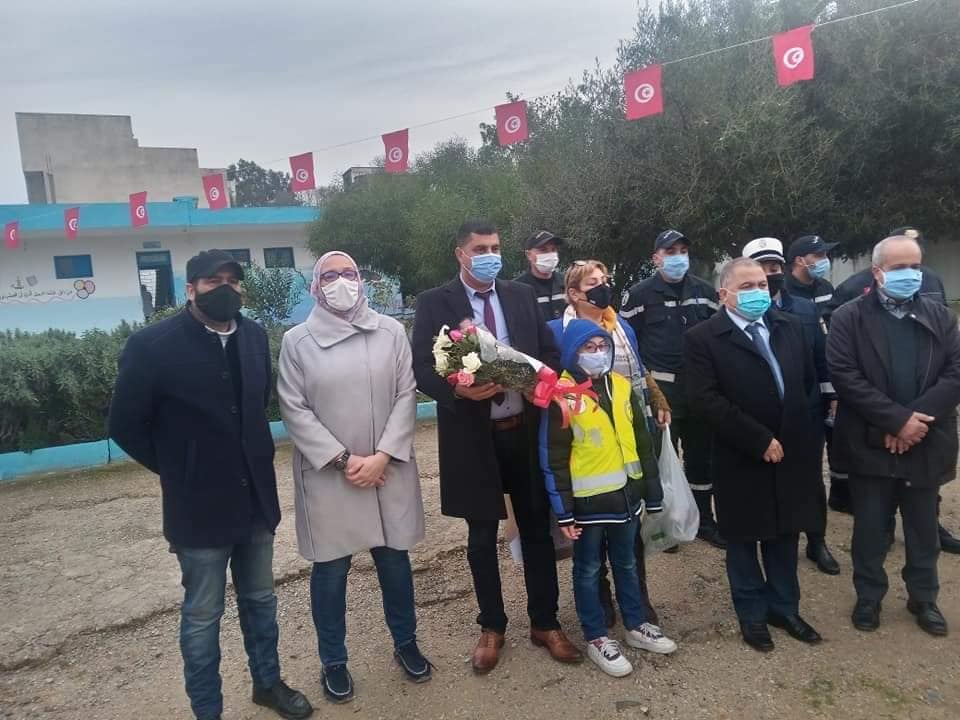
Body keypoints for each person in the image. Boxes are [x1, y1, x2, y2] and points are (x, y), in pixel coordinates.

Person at [108, 250, 313, 720]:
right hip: (197, 509)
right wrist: (179, 469)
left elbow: (256, 406)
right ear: (191, 289)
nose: (224, 288)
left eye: (232, 280)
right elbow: (125, 425)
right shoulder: (152, 346)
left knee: (261, 601)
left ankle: (268, 684)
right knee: (203, 616)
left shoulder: (254, 336)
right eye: (212, 280)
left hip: (255, 501)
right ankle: (207, 708)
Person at [411, 220, 582, 674]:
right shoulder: (435, 302)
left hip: (523, 431)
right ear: (461, 254)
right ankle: (492, 626)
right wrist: (457, 391)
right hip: (473, 437)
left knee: (536, 530)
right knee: (481, 536)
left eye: (495, 247)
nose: (490, 255)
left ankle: (545, 622)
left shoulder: (520, 295)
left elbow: (550, 352)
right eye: (481, 248)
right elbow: (422, 367)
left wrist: (536, 382)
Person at [277, 251, 430, 704]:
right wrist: (345, 461)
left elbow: (406, 394)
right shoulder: (297, 342)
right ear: (314, 286)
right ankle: (333, 661)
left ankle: (406, 643)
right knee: (330, 572)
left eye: (349, 273)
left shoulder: (390, 331)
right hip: (331, 477)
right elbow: (294, 409)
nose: (340, 282)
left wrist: (382, 457)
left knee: (395, 563)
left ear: (362, 281)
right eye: (330, 275)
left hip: (387, 470)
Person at [685, 258, 824, 652]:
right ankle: (752, 614)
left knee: (784, 533)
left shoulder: (788, 326)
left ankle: (785, 607)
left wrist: (796, 433)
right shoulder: (703, 338)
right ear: (724, 295)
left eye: (762, 284)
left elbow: (806, 383)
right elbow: (704, 399)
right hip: (740, 454)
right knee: (744, 538)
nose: (759, 292)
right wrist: (758, 439)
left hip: (790, 451)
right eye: (747, 287)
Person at [827, 234, 960, 637]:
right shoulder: (849, 317)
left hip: (925, 439)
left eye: (915, 267)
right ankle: (869, 596)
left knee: (923, 527)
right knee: (870, 528)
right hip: (871, 442)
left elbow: (955, 373)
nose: (910, 275)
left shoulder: (940, 317)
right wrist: (896, 422)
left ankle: (924, 598)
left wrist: (914, 423)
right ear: (878, 272)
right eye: (899, 268)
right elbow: (845, 376)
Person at [541, 319, 677, 676]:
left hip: (626, 500)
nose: (598, 353)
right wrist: (563, 511)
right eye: (589, 348)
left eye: (603, 346)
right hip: (587, 505)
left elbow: (642, 444)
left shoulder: (621, 386)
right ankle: (597, 635)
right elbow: (554, 458)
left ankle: (636, 624)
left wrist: (652, 494)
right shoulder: (562, 395)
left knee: (627, 563)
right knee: (588, 570)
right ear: (572, 353)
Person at [548, 259, 671, 628]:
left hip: (629, 430)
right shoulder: (556, 331)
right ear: (574, 294)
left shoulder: (621, 326)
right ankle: (600, 596)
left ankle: (638, 598)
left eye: (605, 280)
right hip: (586, 443)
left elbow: (638, 369)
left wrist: (656, 397)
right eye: (593, 283)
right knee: (591, 537)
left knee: (629, 530)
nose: (603, 288)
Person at [741, 238, 839, 575]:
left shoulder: (805, 310)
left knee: (810, 478)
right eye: (763, 267)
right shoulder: (740, 312)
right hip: (762, 416)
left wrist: (830, 398)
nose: (771, 273)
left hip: (805, 412)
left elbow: (820, 359)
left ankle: (816, 540)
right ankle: (773, 539)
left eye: (775, 266)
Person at [620, 229, 724, 548]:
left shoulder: (705, 291)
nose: (678, 257)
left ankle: (704, 520)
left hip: (700, 388)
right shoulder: (638, 295)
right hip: (661, 392)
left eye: (682, 251)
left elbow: (719, 335)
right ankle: (667, 523)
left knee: (702, 459)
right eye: (670, 252)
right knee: (661, 459)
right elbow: (628, 346)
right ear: (656, 258)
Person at [515, 229, 567, 321]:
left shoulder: (567, 283)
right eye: (543, 250)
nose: (550, 255)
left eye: (553, 249)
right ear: (528, 255)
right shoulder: (517, 289)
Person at [784, 234, 839, 315]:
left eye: (825, 254)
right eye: (819, 255)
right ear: (799, 260)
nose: (826, 260)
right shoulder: (784, 291)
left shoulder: (826, 287)